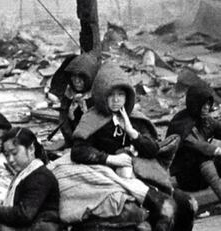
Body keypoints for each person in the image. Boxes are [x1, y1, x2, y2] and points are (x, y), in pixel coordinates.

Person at [70, 62, 195, 231]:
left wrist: (132, 133)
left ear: (127, 96)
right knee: (161, 210)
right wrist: (111, 158)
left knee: (185, 203)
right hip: (111, 177)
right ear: (101, 95)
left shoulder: (134, 118)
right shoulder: (91, 119)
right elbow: (78, 151)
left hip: (142, 173)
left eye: (120, 94)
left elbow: (153, 150)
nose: (116, 100)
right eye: (111, 95)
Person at [166, 85, 221, 200]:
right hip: (188, 179)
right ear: (195, 104)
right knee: (202, 156)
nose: (206, 107)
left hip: (203, 176)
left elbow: (217, 128)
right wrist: (217, 150)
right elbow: (198, 145)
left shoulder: (205, 120)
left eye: (208, 104)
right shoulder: (181, 123)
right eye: (203, 104)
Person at [57, 53, 99, 147]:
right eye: (74, 76)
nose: (76, 81)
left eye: (81, 77)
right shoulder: (69, 92)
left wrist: (86, 112)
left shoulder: (97, 94)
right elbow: (63, 119)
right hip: (73, 138)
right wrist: (70, 115)